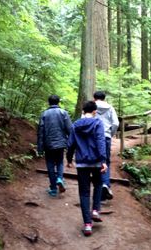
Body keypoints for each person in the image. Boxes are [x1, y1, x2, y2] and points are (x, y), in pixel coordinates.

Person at [66, 101, 108, 236]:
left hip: (81, 163)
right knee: (98, 184)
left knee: (84, 192)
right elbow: (101, 141)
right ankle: (95, 210)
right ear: (95, 111)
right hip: (96, 161)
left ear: (83, 111)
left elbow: (70, 144)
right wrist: (103, 160)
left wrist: (68, 159)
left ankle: (88, 225)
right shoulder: (98, 123)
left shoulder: (75, 125)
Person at [37, 95, 72, 197]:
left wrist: (40, 147)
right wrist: (70, 144)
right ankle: (60, 178)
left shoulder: (44, 114)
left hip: (48, 144)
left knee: (50, 164)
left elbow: (40, 132)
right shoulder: (63, 113)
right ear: (58, 102)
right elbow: (70, 129)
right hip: (61, 143)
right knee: (60, 162)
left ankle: (53, 189)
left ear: (49, 102)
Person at [93, 91, 119, 201]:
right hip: (106, 137)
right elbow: (116, 123)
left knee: (94, 161)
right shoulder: (110, 108)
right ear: (104, 98)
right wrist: (110, 134)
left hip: (93, 137)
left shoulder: (91, 107)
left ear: (94, 98)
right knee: (105, 161)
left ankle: (97, 187)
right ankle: (105, 184)